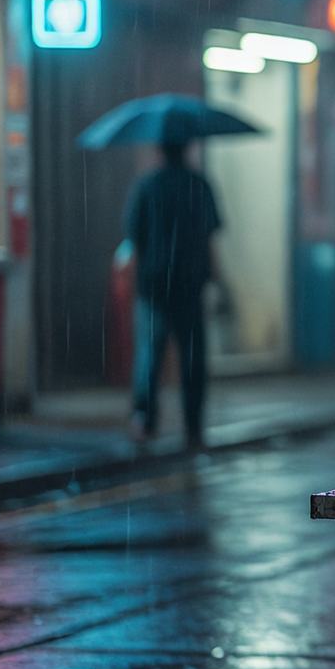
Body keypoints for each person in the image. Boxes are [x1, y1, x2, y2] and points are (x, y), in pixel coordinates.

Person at [124, 131, 223, 448]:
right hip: (190, 284)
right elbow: (210, 240)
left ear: (160, 150)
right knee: (193, 359)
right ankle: (193, 426)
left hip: (153, 284)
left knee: (149, 356)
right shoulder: (200, 185)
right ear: (187, 148)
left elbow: (133, 239)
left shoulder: (146, 185)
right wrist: (218, 280)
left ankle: (144, 420)